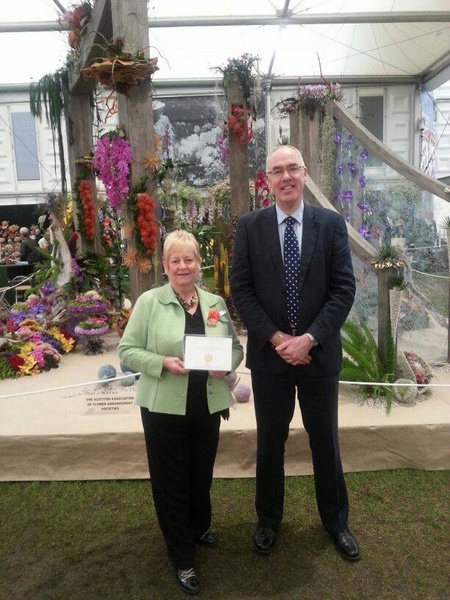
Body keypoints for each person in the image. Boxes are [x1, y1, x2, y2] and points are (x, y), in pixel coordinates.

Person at [230, 145, 359, 561]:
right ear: (266, 181)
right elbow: (242, 291)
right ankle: (268, 519)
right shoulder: (250, 227)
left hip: (318, 357)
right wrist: (278, 340)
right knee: (271, 442)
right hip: (271, 360)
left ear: (305, 174)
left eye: (292, 169)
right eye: (276, 171)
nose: (285, 177)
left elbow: (343, 289)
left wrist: (310, 339)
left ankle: (336, 522)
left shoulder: (331, 224)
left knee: (326, 442)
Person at [118, 230, 243, 595]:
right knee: (171, 481)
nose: (183, 266)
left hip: (207, 404)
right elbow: (127, 350)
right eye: (175, 260)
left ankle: (198, 528)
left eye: (189, 259)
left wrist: (227, 365)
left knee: (200, 474)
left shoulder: (214, 302)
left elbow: (235, 348)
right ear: (165, 266)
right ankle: (181, 556)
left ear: (198, 263)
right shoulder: (149, 303)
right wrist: (161, 361)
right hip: (164, 408)